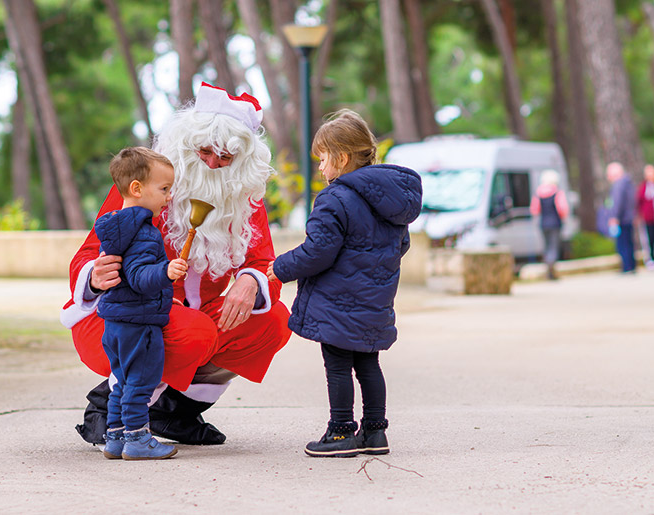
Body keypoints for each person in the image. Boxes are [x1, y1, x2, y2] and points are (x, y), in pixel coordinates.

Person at [61, 83, 291, 447]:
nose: (213, 163)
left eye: (226, 157)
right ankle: (111, 407)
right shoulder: (147, 184)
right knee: (193, 332)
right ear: (186, 144)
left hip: (198, 317)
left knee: (272, 321)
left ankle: (174, 411)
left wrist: (250, 280)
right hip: (125, 314)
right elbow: (89, 252)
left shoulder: (244, 197)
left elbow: (264, 262)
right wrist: (95, 275)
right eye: (205, 151)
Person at [266, 110, 422, 457]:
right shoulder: (392, 201)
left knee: (337, 366)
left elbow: (317, 252)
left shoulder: (335, 198)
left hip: (337, 301)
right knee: (368, 365)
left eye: (323, 159)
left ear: (342, 157)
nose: (321, 167)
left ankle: (340, 432)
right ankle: (375, 432)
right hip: (375, 300)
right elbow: (401, 246)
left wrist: (279, 267)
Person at [94, 147, 185, 460]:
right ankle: (137, 439)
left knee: (122, 381)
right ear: (137, 188)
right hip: (139, 323)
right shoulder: (145, 233)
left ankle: (115, 437)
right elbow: (139, 276)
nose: (168, 197)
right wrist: (166, 271)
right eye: (164, 189)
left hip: (116, 322)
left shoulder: (117, 227)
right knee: (141, 382)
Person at [530, 169, 570, 280]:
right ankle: (552, 268)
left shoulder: (538, 193)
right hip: (555, 223)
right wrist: (564, 219)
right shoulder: (557, 192)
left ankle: (548, 266)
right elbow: (562, 208)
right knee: (553, 246)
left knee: (547, 246)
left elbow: (534, 210)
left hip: (543, 223)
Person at [605, 162, 637, 274]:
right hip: (628, 217)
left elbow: (617, 203)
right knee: (629, 243)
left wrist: (614, 217)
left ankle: (627, 267)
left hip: (622, 219)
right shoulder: (628, 183)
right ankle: (631, 266)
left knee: (623, 244)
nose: (608, 177)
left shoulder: (618, 185)